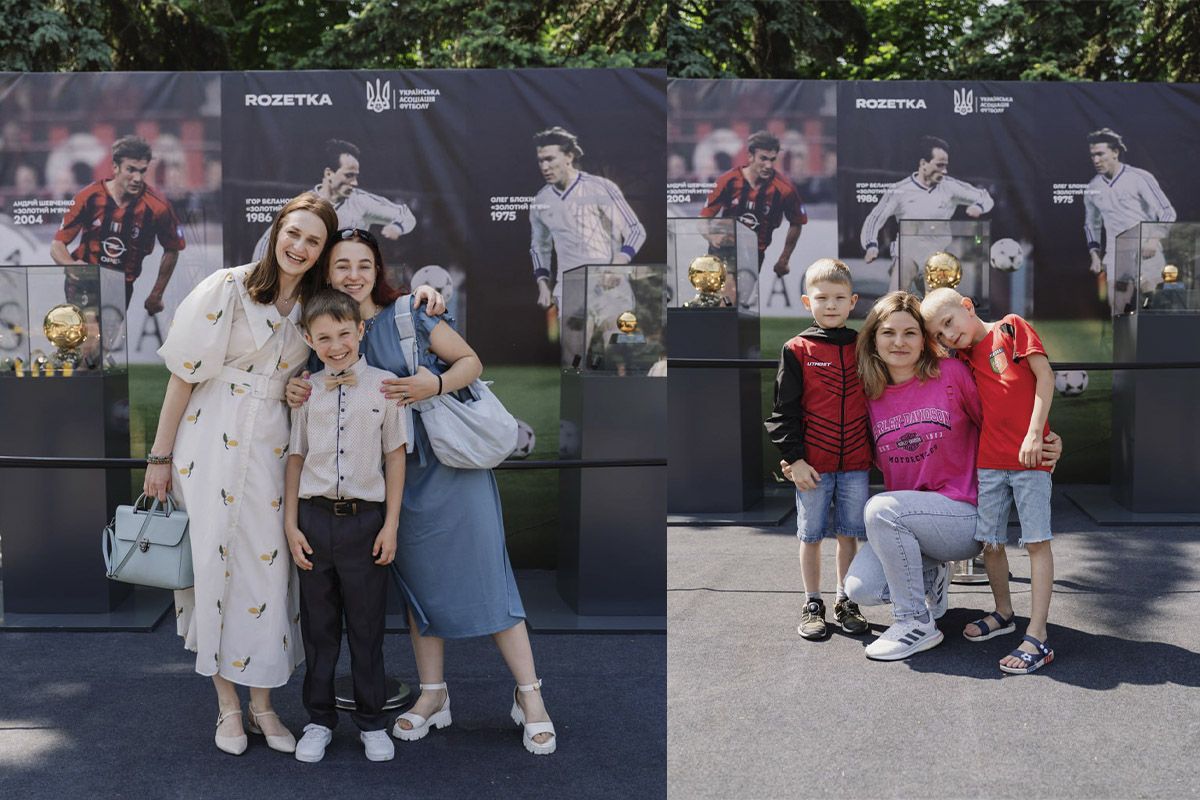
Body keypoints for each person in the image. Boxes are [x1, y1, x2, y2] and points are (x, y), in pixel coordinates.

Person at [287, 228, 557, 755]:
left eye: (363, 264)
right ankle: (433, 696)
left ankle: (530, 699)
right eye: (342, 264)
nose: (353, 274)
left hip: (450, 468)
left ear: (378, 268)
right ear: (327, 271)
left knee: (490, 579)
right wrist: (292, 386)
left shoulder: (411, 311)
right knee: (418, 591)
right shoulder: (327, 329)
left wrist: (430, 385)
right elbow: (311, 395)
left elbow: (471, 363)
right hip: (390, 484)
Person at [143, 192, 338, 756]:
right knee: (213, 568)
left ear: (322, 251)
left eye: (313, 241)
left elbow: (318, 367)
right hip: (209, 440)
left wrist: (296, 389)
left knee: (268, 576)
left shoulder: (315, 307)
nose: (299, 247)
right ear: (277, 231)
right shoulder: (227, 287)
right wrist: (158, 457)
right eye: (293, 233)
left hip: (274, 448)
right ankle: (229, 706)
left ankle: (264, 705)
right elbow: (182, 377)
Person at [812, 292, 1059, 662]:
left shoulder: (954, 374)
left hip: (964, 516)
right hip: (914, 523)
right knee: (860, 588)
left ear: (924, 340)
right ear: (874, 339)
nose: (899, 342)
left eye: (910, 333)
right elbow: (841, 441)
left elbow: (1001, 416)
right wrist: (795, 460)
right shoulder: (869, 395)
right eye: (888, 333)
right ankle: (931, 579)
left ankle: (915, 623)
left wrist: (1046, 438)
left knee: (880, 509)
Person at [284, 289, 408, 762]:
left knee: (366, 626)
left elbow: (395, 458)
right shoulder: (306, 390)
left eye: (343, 334)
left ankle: (372, 722)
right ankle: (318, 720)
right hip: (314, 522)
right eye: (323, 338)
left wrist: (390, 524)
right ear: (309, 340)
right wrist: (292, 526)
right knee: (319, 629)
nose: (335, 346)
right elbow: (295, 459)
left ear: (360, 331)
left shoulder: (385, 386)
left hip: (365, 524)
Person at [922, 287, 1057, 674]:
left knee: (1036, 542)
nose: (948, 336)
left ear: (967, 306)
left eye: (949, 323)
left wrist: (1036, 433)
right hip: (990, 464)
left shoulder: (1011, 328)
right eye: (940, 334)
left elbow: (1044, 378)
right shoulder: (961, 356)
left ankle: (1038, 635)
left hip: (1030, 460)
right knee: (991, 542)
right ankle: (1003, 613)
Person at [764, 258, 871, 640]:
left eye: (839, 298)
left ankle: (846, 599)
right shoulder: (797, 349)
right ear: (806, 301)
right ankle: (812, 602)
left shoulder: (865, 346)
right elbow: (783, 413)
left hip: (856, 464)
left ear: (853, 301)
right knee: (810, 535)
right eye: (822, 297)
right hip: (813, 467)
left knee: (849, 534)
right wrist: (795, 459)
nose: (830, 305)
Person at [529, 126, 644, 363]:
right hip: (570, 287)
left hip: (611, 284)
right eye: (540, 160)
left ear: (569, 156)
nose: (544, 166)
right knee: (575, 361)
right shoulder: (541, 200)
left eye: (550, 159)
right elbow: (539, 247)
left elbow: (635, 230)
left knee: (620, 356)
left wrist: (617, 265)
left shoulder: (600, 188)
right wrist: (543, 284)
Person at [50, 135, 185, 314]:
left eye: (142, 171)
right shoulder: (89, 196)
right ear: (115, 167)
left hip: (122, 286)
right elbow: (57, 245)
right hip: (84, 282)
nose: (137, 178)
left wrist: (156, 294)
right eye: (131, 170)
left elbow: (173, 248)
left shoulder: (158, 207)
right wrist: (72, 266)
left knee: (102, 340)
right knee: (89, 334)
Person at [859, 136, 993, 292]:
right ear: (923, 163)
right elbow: (875, 218)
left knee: (936, 307)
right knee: (895, 298)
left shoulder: (950, 187)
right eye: (940, 165)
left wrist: (979, 207)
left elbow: (985, 197)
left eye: (946, 166)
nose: (944, 171)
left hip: (937, 256)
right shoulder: (900, 190)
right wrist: (871, 244)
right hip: (907, 252)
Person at [252, 138, 416, 261]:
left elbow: (405, 214)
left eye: (356, 176)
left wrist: (397, 227)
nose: (355, 183)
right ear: (329, 173)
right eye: (349, 175)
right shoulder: (300, 207)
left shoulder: (361, 202)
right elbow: (267, 244)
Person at [1083, 127, 1176, 314]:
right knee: (1117, 310)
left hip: (1146, 251)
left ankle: (1156, 340)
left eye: (1100, 154)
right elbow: (1091, 224)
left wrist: (1154, 239)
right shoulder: (1092, 187)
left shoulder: (1139, 178)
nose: (1096, 160)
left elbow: (1167, 212)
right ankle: (1124, 342)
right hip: (1116, 254)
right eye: (1093, 155)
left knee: (1154, 305)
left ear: (1115, 152)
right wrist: (1094, 254)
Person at [700, 129, 806, 278]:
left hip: (753, 254)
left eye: (772, 159)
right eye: (763, 158)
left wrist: (784, 259)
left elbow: (797, 222)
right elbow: (704, 218)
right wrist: (711, 236)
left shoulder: (785, 189)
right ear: (750, 156)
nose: (768, 165)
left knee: (734, 297)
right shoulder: (727, 181)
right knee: (720, 298)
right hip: (722, 248)